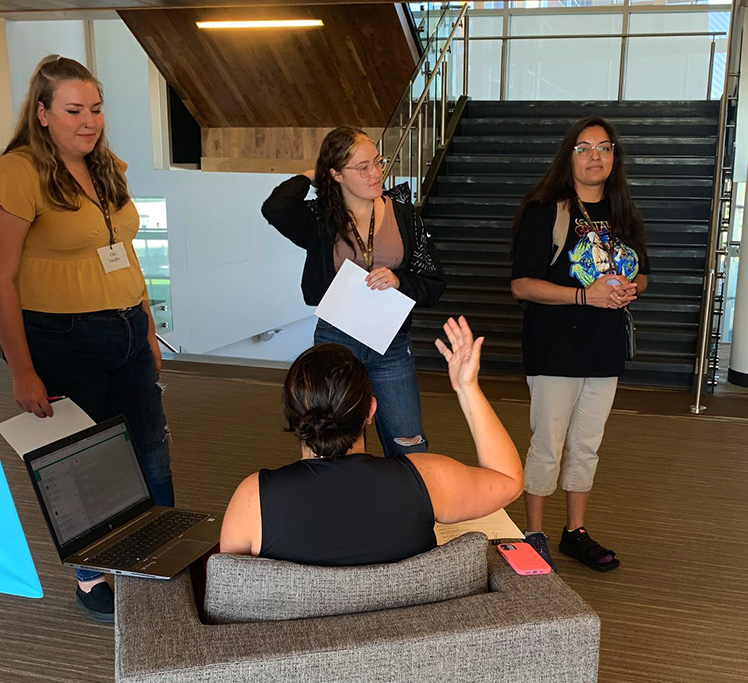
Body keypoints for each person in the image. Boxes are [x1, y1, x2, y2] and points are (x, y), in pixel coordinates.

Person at [0, 55, 174, 621]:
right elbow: (2, 277)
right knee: (86, 461)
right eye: (74, 110)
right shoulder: (20, 171)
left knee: (149, 444)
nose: (89, 120)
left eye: (96, 109)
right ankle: (94, 576)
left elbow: (124, 252)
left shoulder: (106, 166)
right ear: (43, 114)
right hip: (61, 336)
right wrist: (21, 369)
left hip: (125, 326)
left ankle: (159, 558)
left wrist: (147, 327)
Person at [220, 316, 523, 565]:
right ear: (371, 410)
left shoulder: (252, 500)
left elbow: (231, 594)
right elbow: (508, 479)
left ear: (291, 413)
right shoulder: (426, 480)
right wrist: (468, 387)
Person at [509, 117, 649, 572]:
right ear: (568, 156)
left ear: (614, 157)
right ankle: (534, 533)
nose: (596, 157)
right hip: (555, 348)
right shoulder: (544, 211)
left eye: (604, 148)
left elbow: (642, 271)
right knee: (547, 443)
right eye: (584, 148)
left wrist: (631, 287)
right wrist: (585, 295)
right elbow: (522, 286)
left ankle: (575, 531)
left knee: (587, 445)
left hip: (603, 347)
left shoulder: (622, 210)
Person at [261, 126, 446, 459]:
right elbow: (276, 207)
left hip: (391, 343)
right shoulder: (321, 219)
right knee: (332, 445)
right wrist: (312, 174)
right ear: (336, 175)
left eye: (378, 162)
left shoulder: (402, 214)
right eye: (363, 168)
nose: (376, 173)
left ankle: (407, 508)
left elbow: (434, 282)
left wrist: (400, 281)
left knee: (410, 444)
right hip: (337, 342)